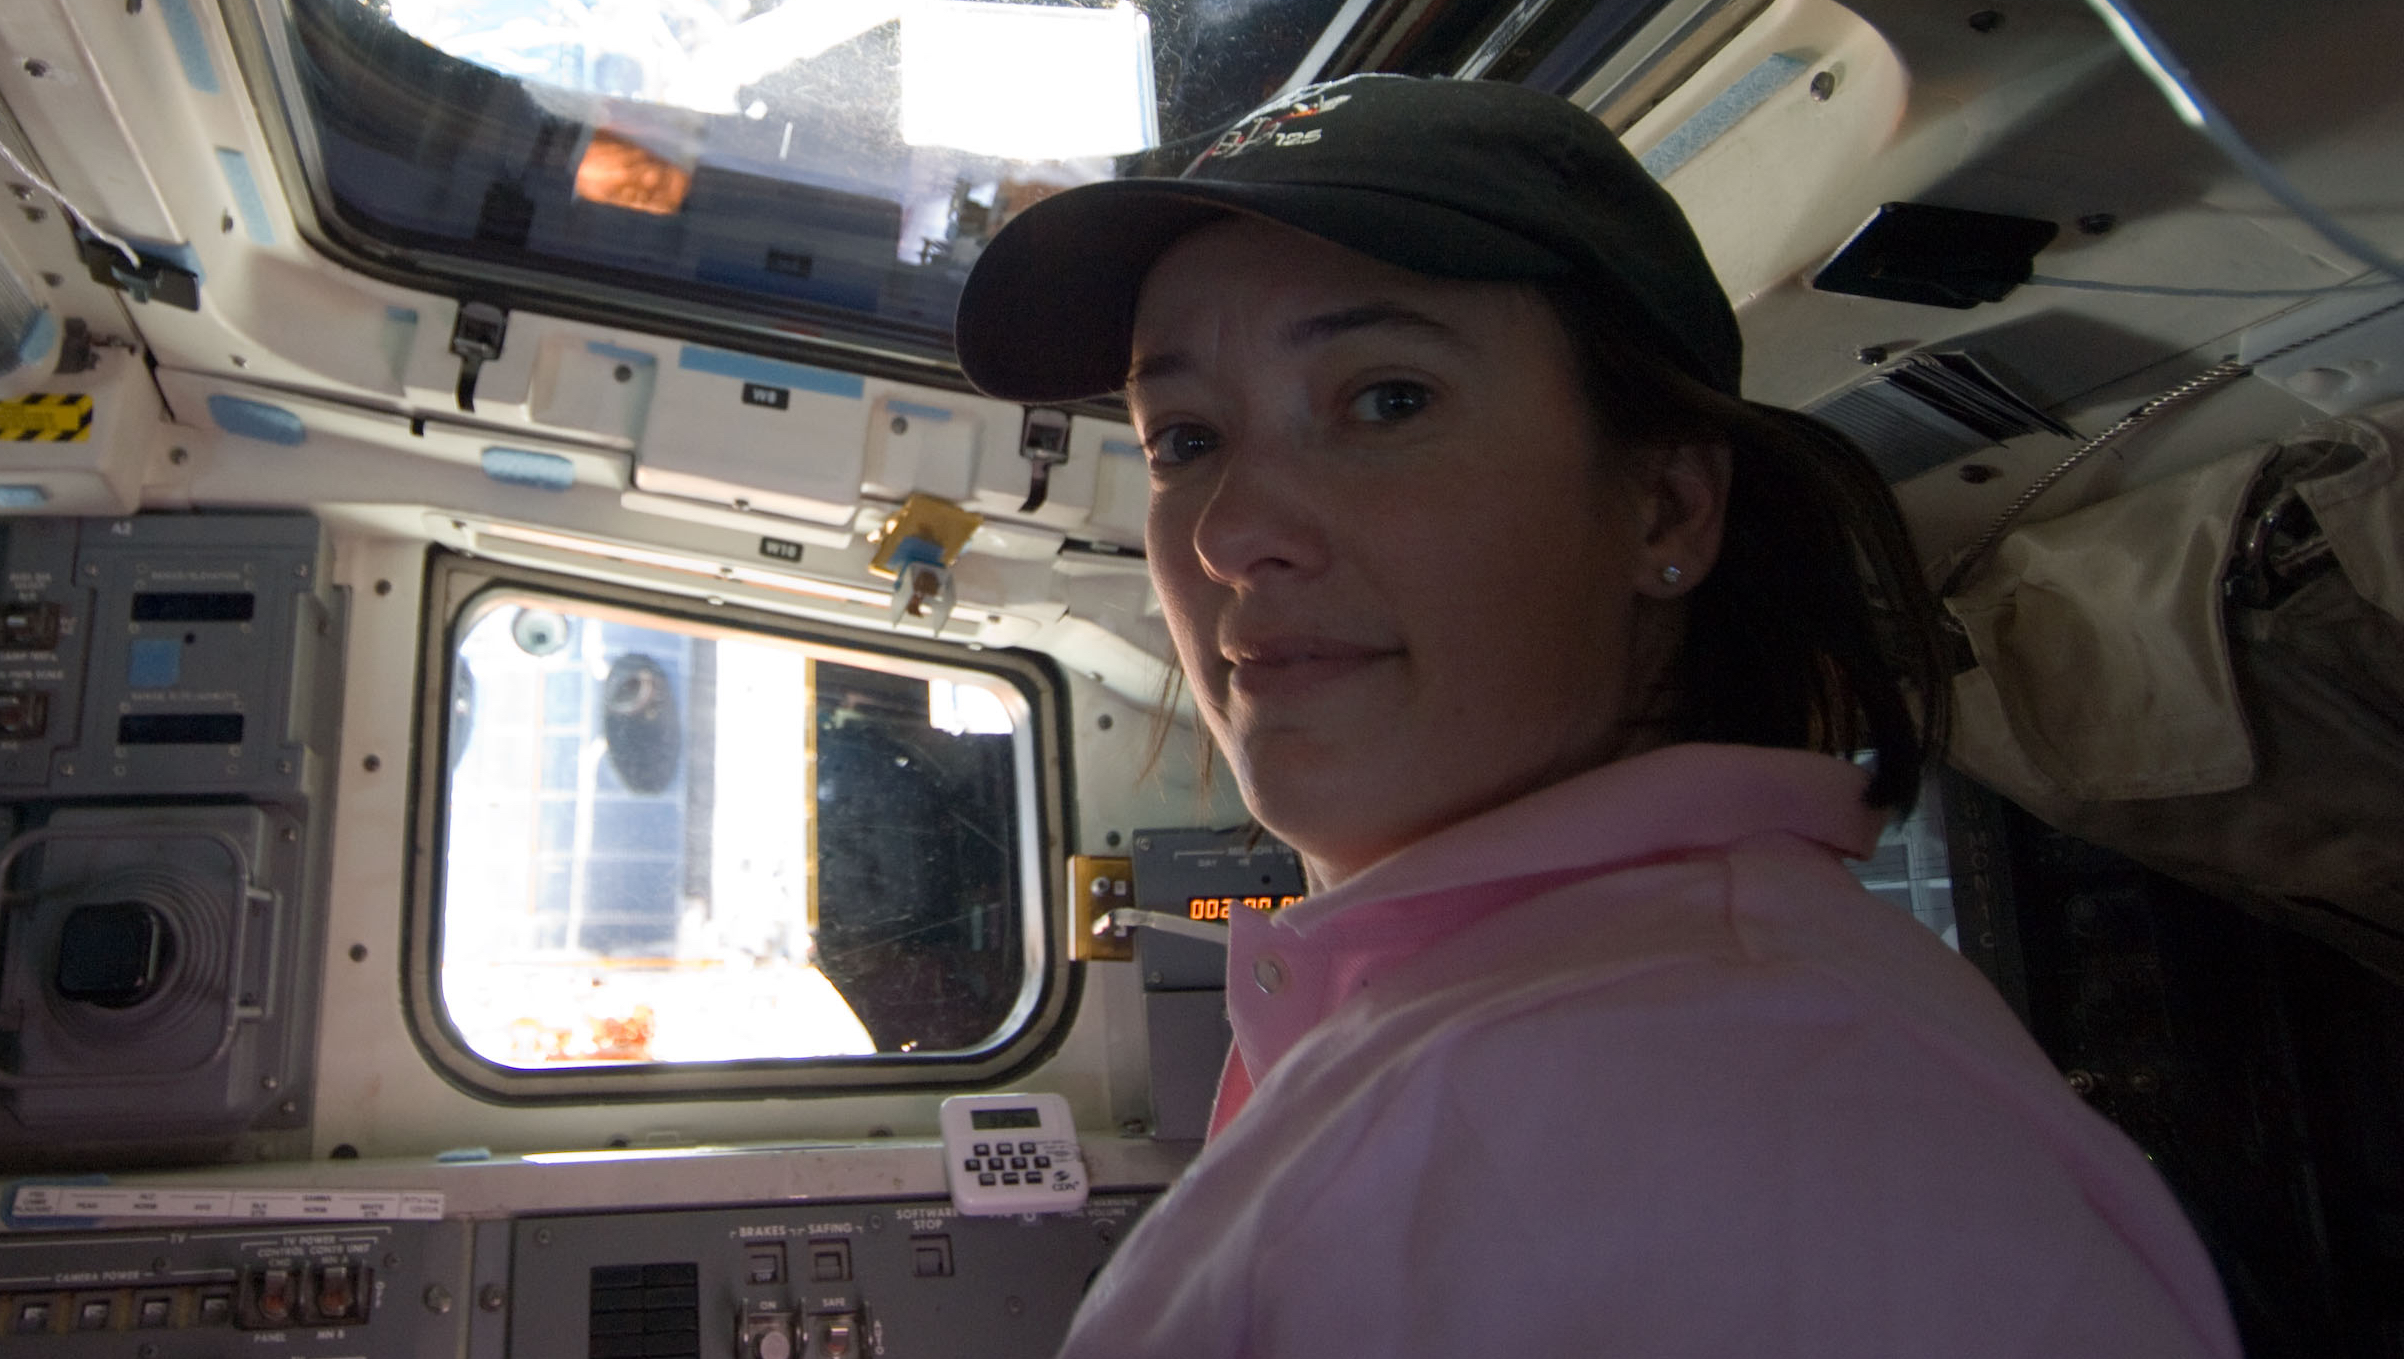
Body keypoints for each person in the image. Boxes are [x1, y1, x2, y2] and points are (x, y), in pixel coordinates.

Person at [954, 74, 2237, 1358]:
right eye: (1183, 437)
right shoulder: (1542, 1034)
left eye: (1385, 399)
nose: (1232, 531)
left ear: (1665, 508)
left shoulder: (1674, 1099)